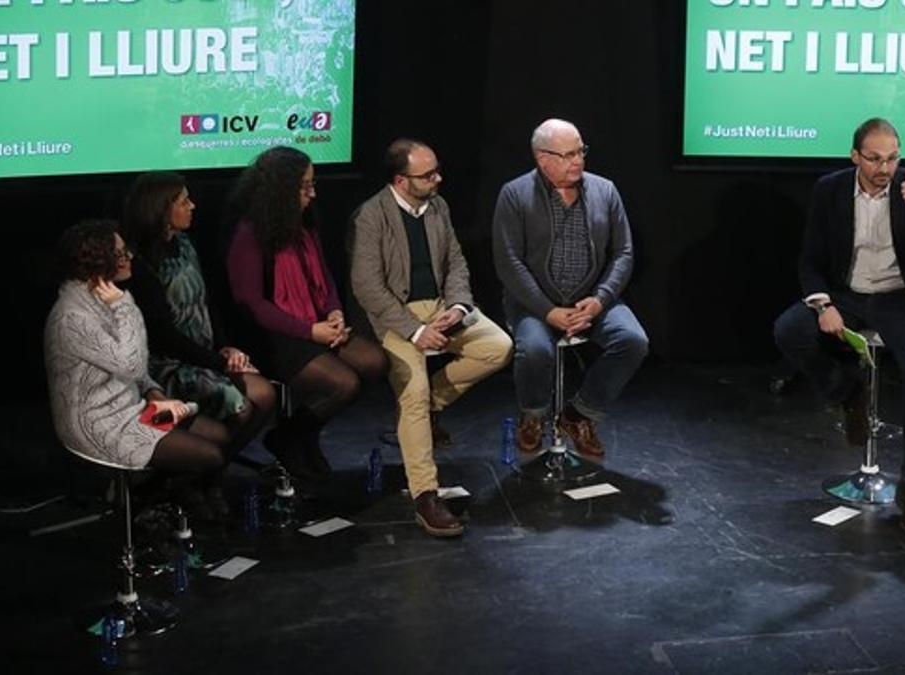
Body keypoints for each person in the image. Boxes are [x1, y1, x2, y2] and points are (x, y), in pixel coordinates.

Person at [772, 117, 905, 535]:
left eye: (892, 158)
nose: (884, 168)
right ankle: (848, 393)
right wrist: (823, 306)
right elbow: (810, 259)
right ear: (855, 156)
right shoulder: (830, 189)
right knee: (789, 330)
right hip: (848, 293)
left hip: (900, 299)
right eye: (874, 158)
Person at [350, 139, 512, 537]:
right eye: (428, 175)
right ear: (401, 180)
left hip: (440, 305)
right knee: (413, 391)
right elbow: (368, 287)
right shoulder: (370, 216)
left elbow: (455, 262)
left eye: (436, 170)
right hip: (394, 317)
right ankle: (425, 495)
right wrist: (417, 331)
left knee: (499, 347)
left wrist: (457, 307)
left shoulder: (438, 206)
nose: (438, 179)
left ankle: (426, 412)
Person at [44, 220, 233, 516]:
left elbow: (133, 365)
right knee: (209, 455)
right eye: (120, 254)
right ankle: (148, 500)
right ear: (99, 262)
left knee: (220, 435)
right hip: (100, 424)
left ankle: (150, 492)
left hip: (132, 409)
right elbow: (129, 365)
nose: (129, 257)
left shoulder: (106, 298)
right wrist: (125, 308)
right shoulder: (74, 317)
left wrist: (153, 389)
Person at [226, 146, 388, 482]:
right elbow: (252, 305)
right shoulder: (250, 234)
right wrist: (310, 331)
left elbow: (323, 275)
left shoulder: (304, 223)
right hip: (275, 335)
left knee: (375, 361)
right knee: (343, 383)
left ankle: (300, 433)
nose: (312, 193)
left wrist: (334, 311)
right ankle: (288, 436)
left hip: (315, 322)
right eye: (305, 186)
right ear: (282, 190)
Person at [120, 171, 276, 517]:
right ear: (161, 209)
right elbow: (164, 336)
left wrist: (226, 348)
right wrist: (216, 362)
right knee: (240, 406)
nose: (193, 206)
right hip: (168, 364)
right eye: (183, 201)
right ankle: (196, 477)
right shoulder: (140, 264)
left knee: (264, 394)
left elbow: (207, 304)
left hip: (205, 354)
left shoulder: (186, 245)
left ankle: (203, 478)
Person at [492, 119, 649, 459]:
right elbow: (508, 262)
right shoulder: (515, 194)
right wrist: (547, 310)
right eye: (566, 155)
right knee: (536, 349)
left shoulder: (605, 191)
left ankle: (579, 415)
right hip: (535, 303)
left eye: (580, 151)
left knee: (633, 340)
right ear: (541, 158)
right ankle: (533, 415)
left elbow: (623, 252)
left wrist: (599, 300)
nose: (577, 160)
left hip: (592, 300)